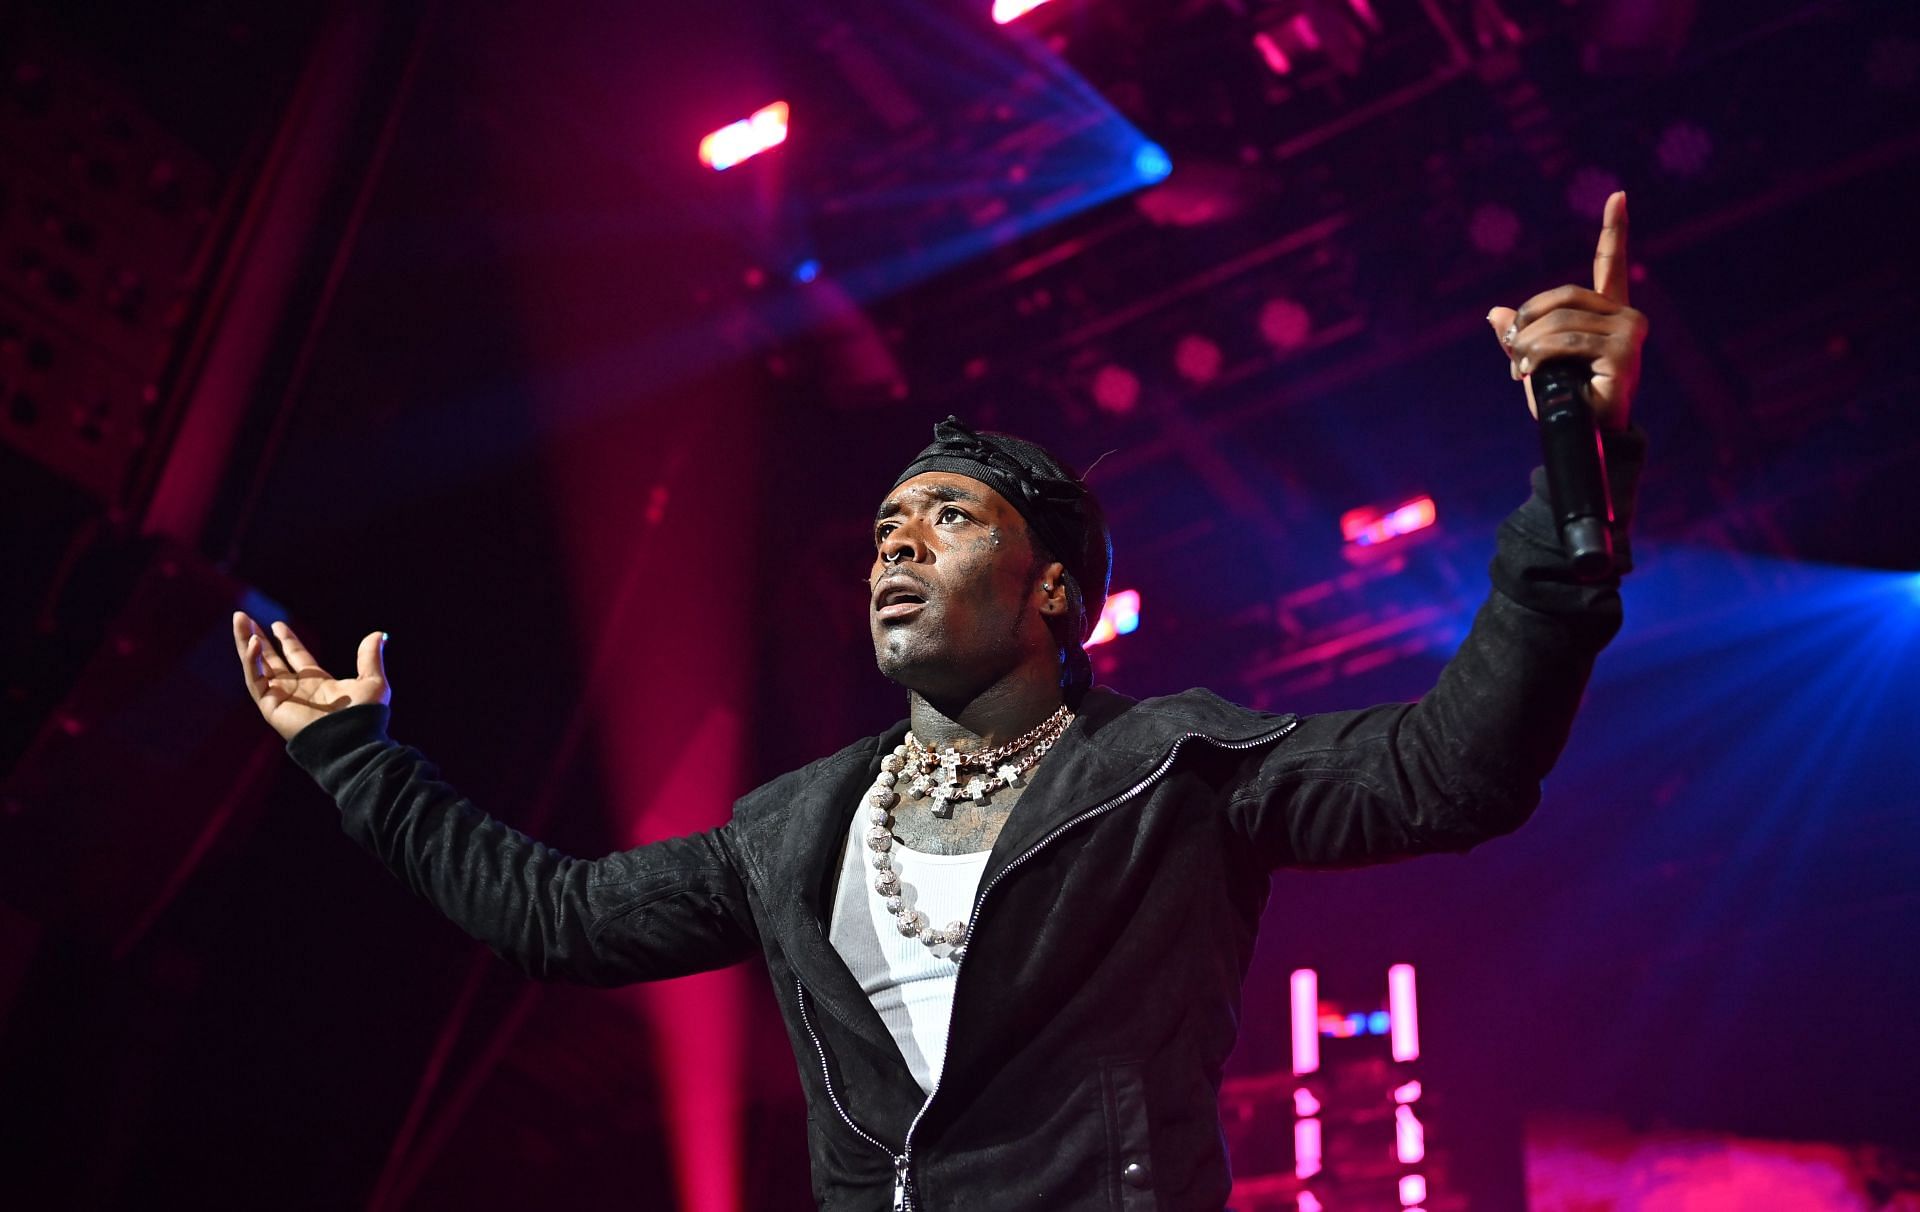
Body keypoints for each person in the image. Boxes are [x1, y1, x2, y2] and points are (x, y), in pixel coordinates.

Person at [232, 193, 1648, 1210]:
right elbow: (555, 916)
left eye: (948, 520)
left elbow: (1454, 770)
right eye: (884, 530)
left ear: (1049, 593)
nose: (897, 544)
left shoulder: (1175, 771)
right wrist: (357, 759)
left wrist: (1574, 459)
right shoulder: (795, 829)